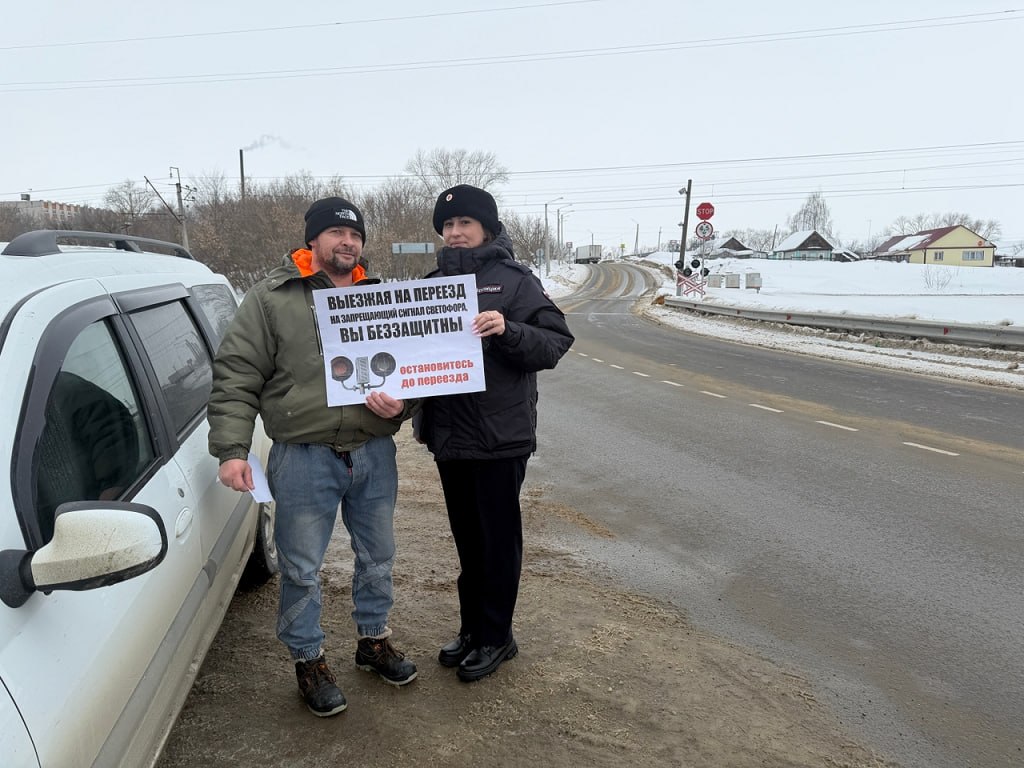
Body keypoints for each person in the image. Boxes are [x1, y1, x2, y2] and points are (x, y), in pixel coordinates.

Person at [208, 197, 419, 717]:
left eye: (356, 236)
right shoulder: (271, 299)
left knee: (378, 555)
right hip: (302, 456)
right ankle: (309, 660)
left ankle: (373, 642)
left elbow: (418, 368)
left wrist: (405, 403)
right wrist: (233, 449)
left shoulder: (381, 297)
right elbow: (236, 376)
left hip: (373, 451)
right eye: (336, 233)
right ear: (313, 239)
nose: (348, 242)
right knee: (301, 565)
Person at [416, 184, 574, 682]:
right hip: (449, 437)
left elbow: (555, 342)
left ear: (486, 227)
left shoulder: (514, 281)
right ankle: (471, 629)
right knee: (467, 539)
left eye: (465, 223)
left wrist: (508, 330)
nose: (456, 232)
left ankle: (497, 636)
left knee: (497, 541)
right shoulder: (430, 283)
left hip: (499, 438)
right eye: (448, 225)